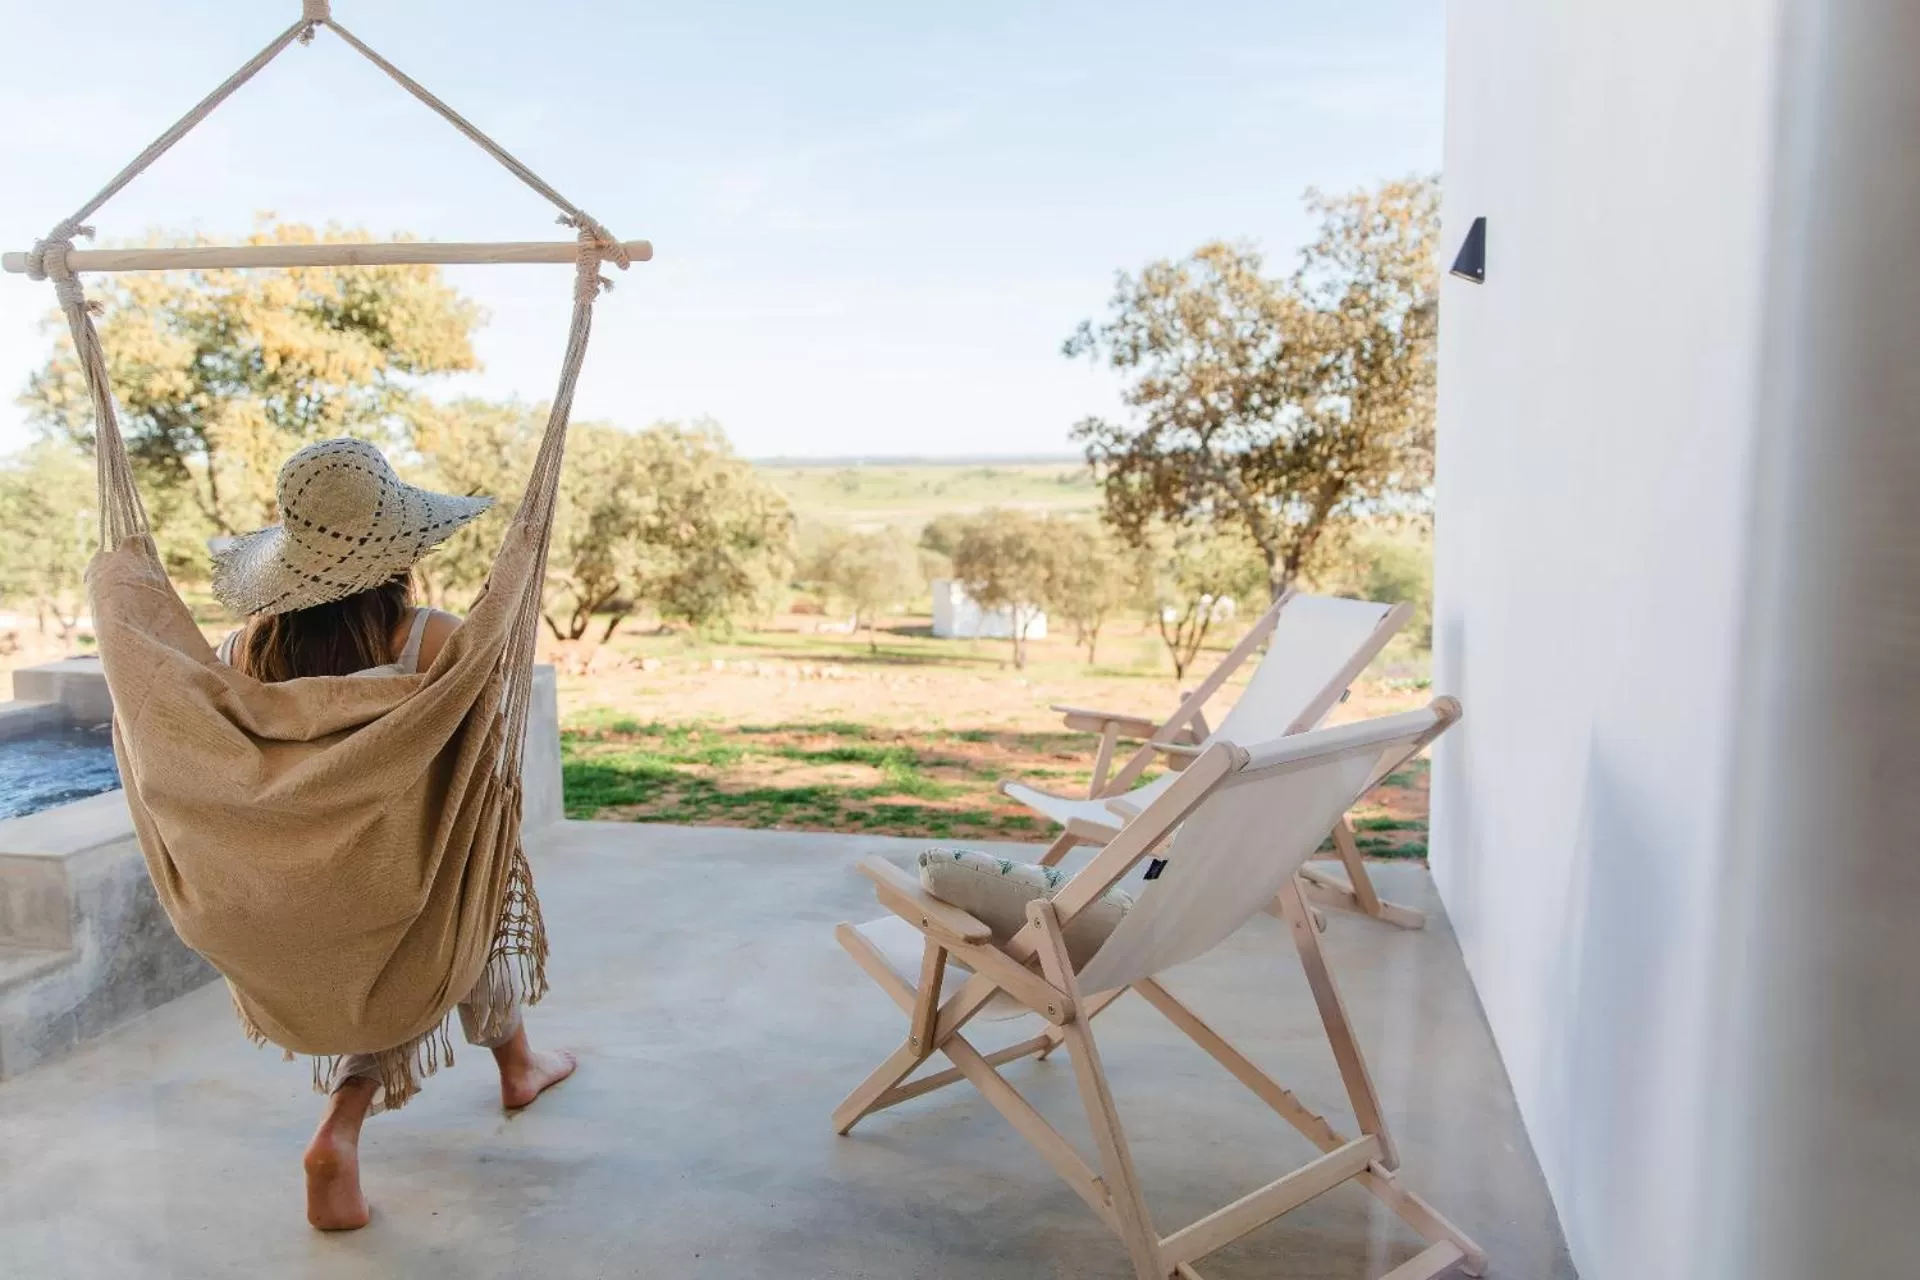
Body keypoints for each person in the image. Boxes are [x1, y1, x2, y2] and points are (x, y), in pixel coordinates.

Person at [210, 438, 575, 1231]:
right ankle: (357, 1119)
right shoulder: (431, 642)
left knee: (425, 915)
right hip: (404, 881)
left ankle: (517, 1065)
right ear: (398, 553)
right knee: (459, 886)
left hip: (290, 893)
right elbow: (479, 755)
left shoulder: (240, 653)